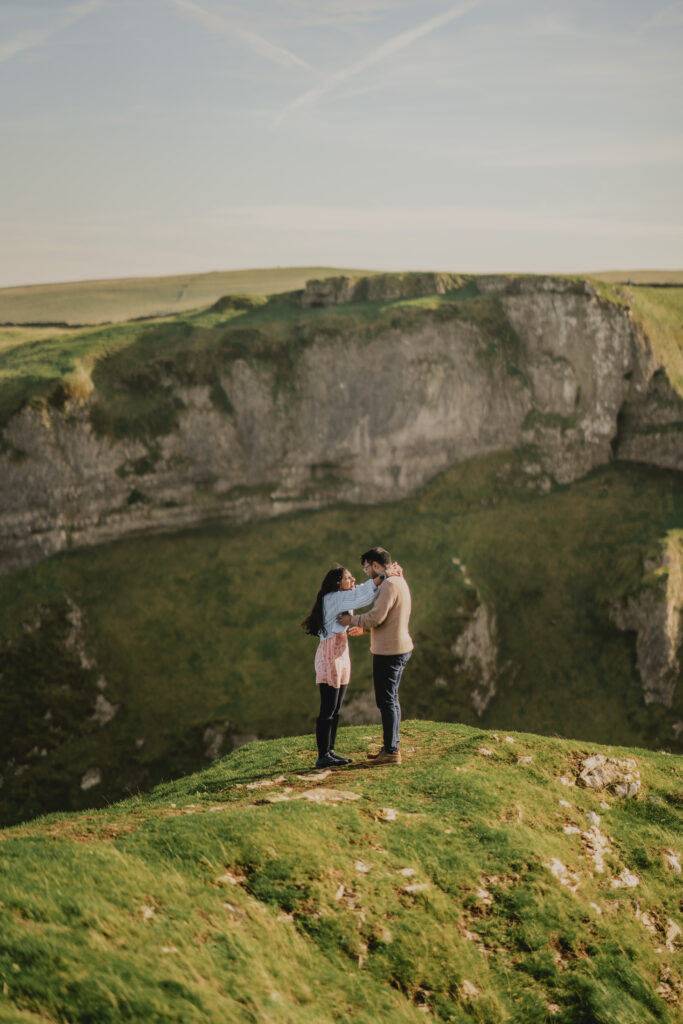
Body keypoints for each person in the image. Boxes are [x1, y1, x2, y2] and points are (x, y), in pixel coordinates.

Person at [302, 564, 390, 769]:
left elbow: (359, 591)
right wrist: (385, 576)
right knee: (328, 708)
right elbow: (361, 595)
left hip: (341, 655)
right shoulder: (333, 598)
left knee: (336, 707)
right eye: (347, 578)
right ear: (337, 584)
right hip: (330, 656)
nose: (352, 581)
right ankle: (322, 755)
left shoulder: (341, 596)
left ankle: (330, 751)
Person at [338, 546, 412, 766]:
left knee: (386, 700)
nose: (366, 572)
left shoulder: (388, 585)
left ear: (376, 565)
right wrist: (368, 629)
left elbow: (377, 617)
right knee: (391, 699)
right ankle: (391, 746)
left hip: (389, 651)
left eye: (366, 568)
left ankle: (391, 752)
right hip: (399, 646)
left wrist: (352, 621)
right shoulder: (399, 580)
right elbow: (392, 616)